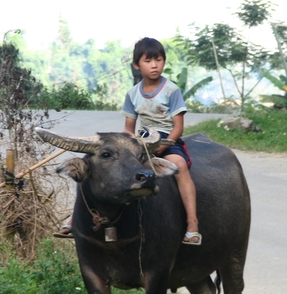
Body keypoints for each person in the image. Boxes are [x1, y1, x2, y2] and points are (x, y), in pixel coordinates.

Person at [55, 37, 201, 245]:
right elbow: (128, 129)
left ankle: (192, 224)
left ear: (164, 62)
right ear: (136, 65)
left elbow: (178, 127)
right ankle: (74, 220)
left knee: (179, 166)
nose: (154, 65)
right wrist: (128, 145)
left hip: (168, 141)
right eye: (148, 61)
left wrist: (163, 144)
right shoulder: (133, 94)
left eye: (158, 60)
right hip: (141, 143)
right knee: (97, 166)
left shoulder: (171, 90)